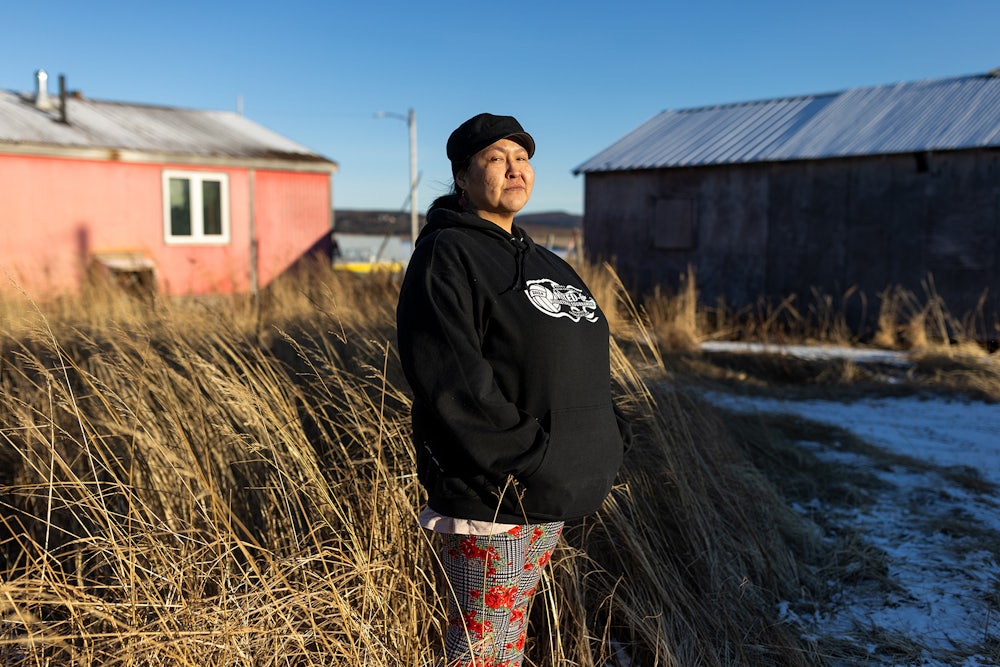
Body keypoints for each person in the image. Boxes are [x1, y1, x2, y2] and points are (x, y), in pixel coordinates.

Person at [395, 113, 630, 666]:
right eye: (496, 159)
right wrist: (534, 456)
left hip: (548, 492)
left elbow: (587, 362)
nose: (514, 170)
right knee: (481, 649)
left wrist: (607, 438)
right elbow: (452, 379)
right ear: (462, 175)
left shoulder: (545, 260)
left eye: (522, 158)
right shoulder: (446, 254)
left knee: (506, 640)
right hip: (494, 495)